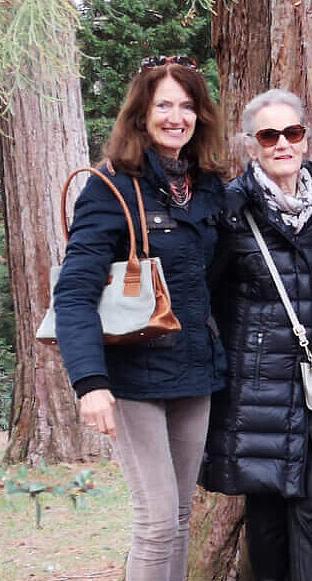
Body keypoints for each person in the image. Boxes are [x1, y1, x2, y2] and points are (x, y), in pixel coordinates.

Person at [55, 54, 232, 581]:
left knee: (178, 515)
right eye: (164, 106)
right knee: (156, 521)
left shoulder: (208, 188)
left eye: (187, 106)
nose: (176, 117)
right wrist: (90, 383)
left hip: (195, 372)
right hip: (132, 377)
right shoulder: (111, 189)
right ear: (141, 114)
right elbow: (74, 293)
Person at [199, 89, 312, 581]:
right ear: (251, 145)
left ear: (306, 140)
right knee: (264, 521)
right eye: (269, 135)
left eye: (292, 133)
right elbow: (206, 292)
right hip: (255, 390)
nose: (282, 143)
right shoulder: (230, 209)